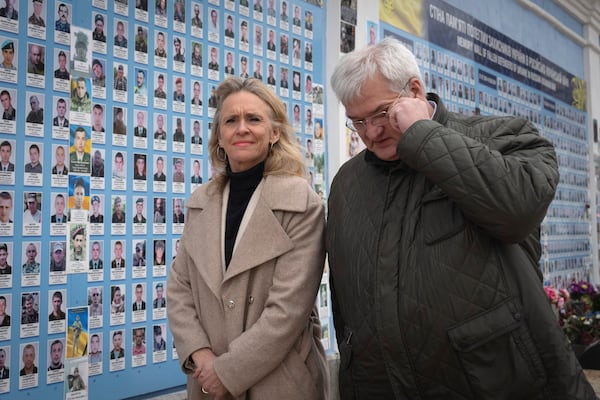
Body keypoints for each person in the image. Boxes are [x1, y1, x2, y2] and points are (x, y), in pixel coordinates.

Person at [326, 37, 596, 399]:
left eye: (380, 113)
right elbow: (347, 302)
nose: (371, 133)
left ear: (415, 91)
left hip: (497, 384)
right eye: (357, 121)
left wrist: (421, 136)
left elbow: (518, 211)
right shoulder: (347, 182)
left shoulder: (505, 137)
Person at [167, 77, 328, 399]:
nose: (242, 128)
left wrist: (227, 372)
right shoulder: (200, 202)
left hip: (279, 381)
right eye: (231, 121)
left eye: (254, 119)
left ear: (275, 133)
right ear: (219, 138)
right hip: (207, 380)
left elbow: (288, 310)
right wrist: (202, 356)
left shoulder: (301, 202)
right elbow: (179, 290)